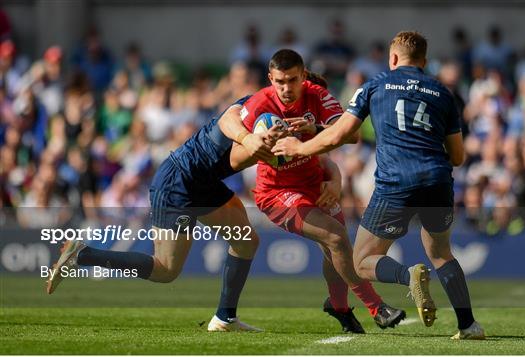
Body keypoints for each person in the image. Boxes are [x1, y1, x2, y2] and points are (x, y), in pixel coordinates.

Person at [272, 31, 485, 340]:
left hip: (395, 183)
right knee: (441, 253)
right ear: (424, 62)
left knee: (359, 262)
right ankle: (468, 325)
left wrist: (298, 148)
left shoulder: (375, 86)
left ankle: (407, 274)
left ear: (393, 58)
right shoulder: (443, 93)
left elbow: (338, 135)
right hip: (437, 180)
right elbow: (458, 156)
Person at [46, 96, 281, 332]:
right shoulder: (259, 103)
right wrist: (263, 147)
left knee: (246, 241)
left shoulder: (275, 106)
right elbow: (235, 154)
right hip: (179, 181)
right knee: (165, 270)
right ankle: (83, 255)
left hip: (202, 180)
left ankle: (224, 318)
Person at [220, 49, 406, 333]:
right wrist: (259, 144)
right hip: (277, 194)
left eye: (292, 80)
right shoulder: (259, 104)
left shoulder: (317, 95)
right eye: (279, 81)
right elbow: (234, 159)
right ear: (270, 78)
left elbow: (352, 135)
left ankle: (339, 307)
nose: (285, 88)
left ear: (303, 76)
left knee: (333, 249)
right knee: (336, 237)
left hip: (316, 186)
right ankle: (377, 307)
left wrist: (317, 132)